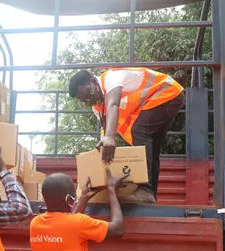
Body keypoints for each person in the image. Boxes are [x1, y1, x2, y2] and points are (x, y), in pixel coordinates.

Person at [68, 68, 185, 204]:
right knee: (151, 148)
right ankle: (149, 195)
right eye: (86, 101)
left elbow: (113, 104)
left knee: (139, 131)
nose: (91, 101)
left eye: (91, 94)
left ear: (94, 80)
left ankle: (145, 190)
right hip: (165, 99)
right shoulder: (98, 108)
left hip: (167, 91)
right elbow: (104, 132)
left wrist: (110, 137)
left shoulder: (112, 78)